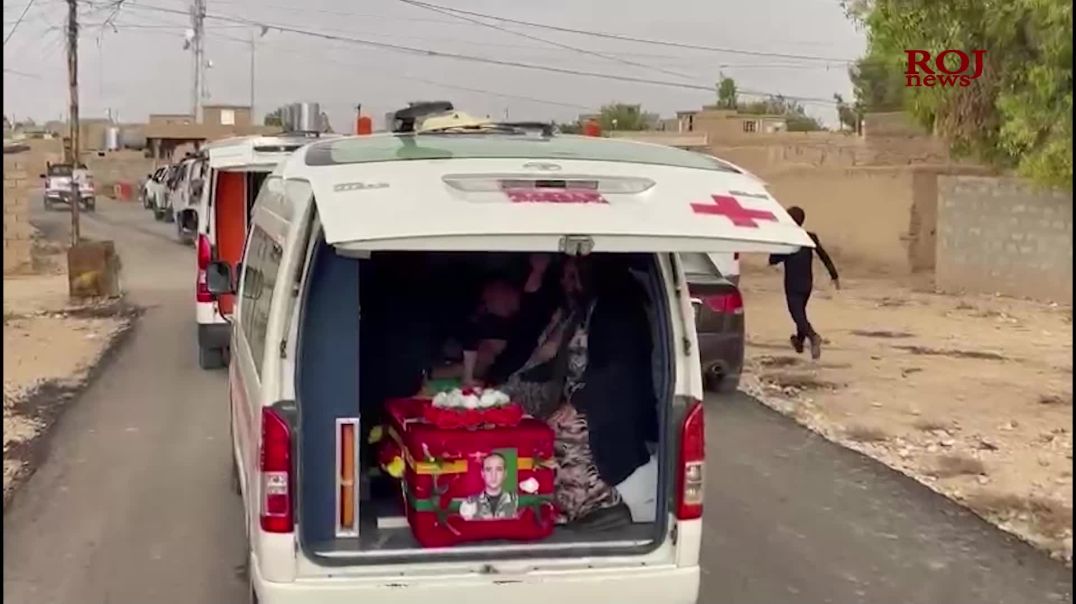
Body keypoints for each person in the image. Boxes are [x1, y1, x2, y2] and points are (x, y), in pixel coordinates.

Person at [490, 255, 657, 526]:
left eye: (572, 277)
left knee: (561, 434)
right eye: (565, 277)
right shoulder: (585, 309)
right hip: (584, 396)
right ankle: (552, 502)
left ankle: (596, 505)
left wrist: (577, 404)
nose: (567, 284)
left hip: (612, 405)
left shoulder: (617, 311)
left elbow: (616, 368)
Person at [768, 206, 840, 360]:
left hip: (793, 286)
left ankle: (813, 337)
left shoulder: (787, 240)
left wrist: (776, 246)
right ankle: (799, 342)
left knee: (797, 316)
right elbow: (824, 256)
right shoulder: (810, 237)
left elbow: (772, 260)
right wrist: (834, 275)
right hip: (807, 284)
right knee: (801, 314)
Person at [459, 453, 519, 521]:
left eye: (499, 469)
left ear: (505, 473)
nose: (493, 475)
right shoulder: (469, 504)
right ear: (482, 473)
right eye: (488, 469)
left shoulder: (516, 501)